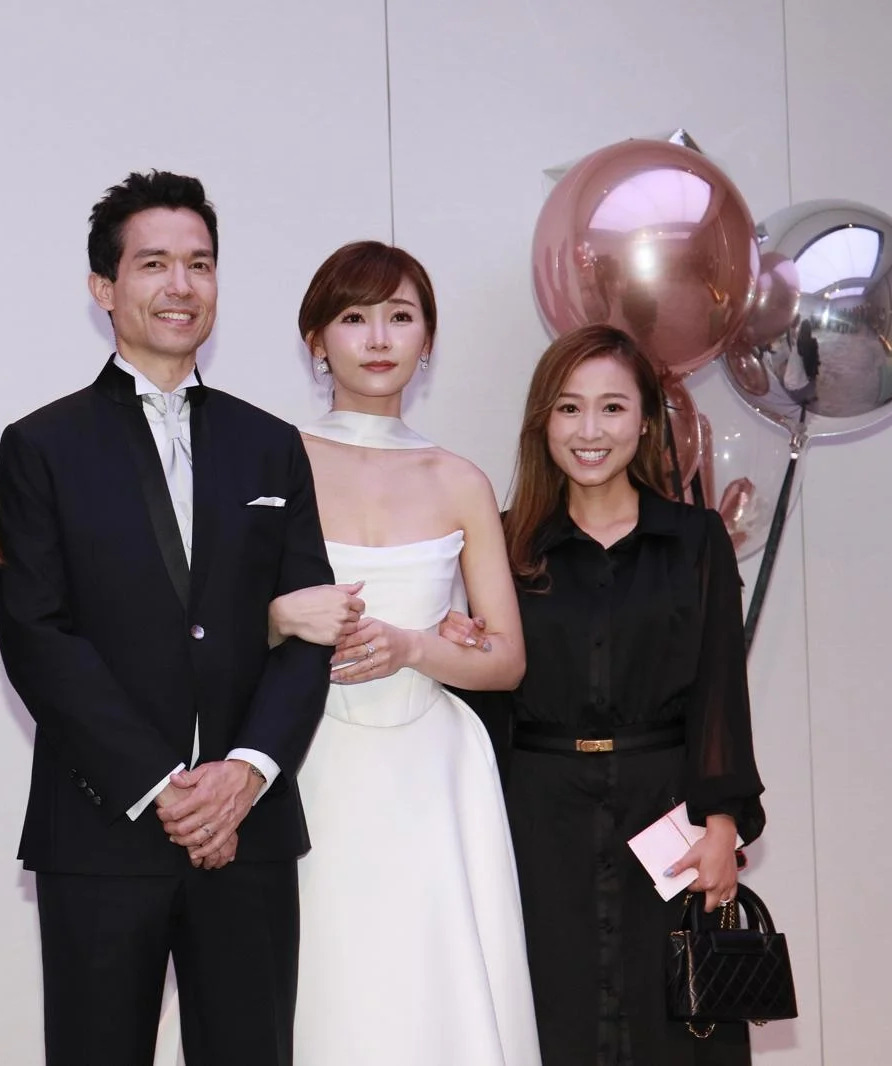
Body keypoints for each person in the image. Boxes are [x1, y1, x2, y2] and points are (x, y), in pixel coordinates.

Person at [0, 170, 336, 1066]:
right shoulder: (40, 447)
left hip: (250, 832)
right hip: (102, 831)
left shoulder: (271, 444)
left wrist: (246, 773)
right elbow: (37, 635)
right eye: (153, 264)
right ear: (104, 288)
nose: (181, 285)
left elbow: (310, 628)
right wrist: (164, 788)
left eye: (200, 264)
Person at [193, 241, 542, 1064]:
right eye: (354, 317)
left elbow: (506, 660)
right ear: (316, 339)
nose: (379, 338)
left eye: (400, 316)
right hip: (302, 761)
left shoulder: (460, 479)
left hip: (431, 770)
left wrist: (415, 645)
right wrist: (279, 617)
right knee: (314, 985)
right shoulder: (274, 458)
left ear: (428, 339)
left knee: (427, 990)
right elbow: (211, 626)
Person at [480, 323, 765, 1065]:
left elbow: (720, 691)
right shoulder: (504, 545)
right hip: (537, 822)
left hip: (666, 810)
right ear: (543, 422)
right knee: (554, 1022)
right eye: (569, 408)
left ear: (644, 422)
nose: (590, 431)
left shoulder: (695, 540)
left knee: (675, 1027)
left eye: (612, 408)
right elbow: (484, 705)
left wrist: (723, 825)